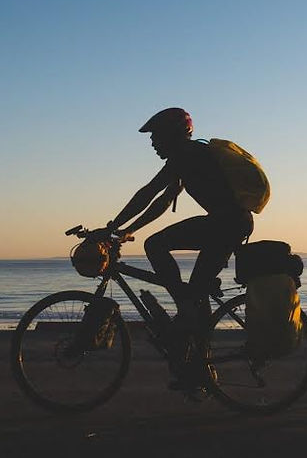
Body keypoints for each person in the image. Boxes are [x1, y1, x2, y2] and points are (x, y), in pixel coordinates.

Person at [103, 107, 255, 387]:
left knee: (156, 246)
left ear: (173, 135)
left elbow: (148, 192)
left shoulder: (187, 155)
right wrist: (127, 231)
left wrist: (111, 228)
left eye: (156, 136)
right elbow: (161, 201)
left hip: (226, 224)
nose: (152, 143)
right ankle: (199, 364)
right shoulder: (188, 158)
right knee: (197, 293)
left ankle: (186, 315)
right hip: (229, 223)